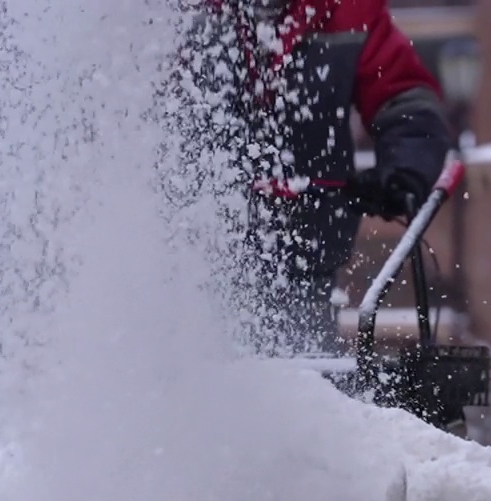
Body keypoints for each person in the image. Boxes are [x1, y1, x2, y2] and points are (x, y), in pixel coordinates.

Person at [177, 0, 455, 353]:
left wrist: (405, 170)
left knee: (303, 381)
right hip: (187, 260)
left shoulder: (349, 12)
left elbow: (405, 101)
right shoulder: (178, 12)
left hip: (306, 252)